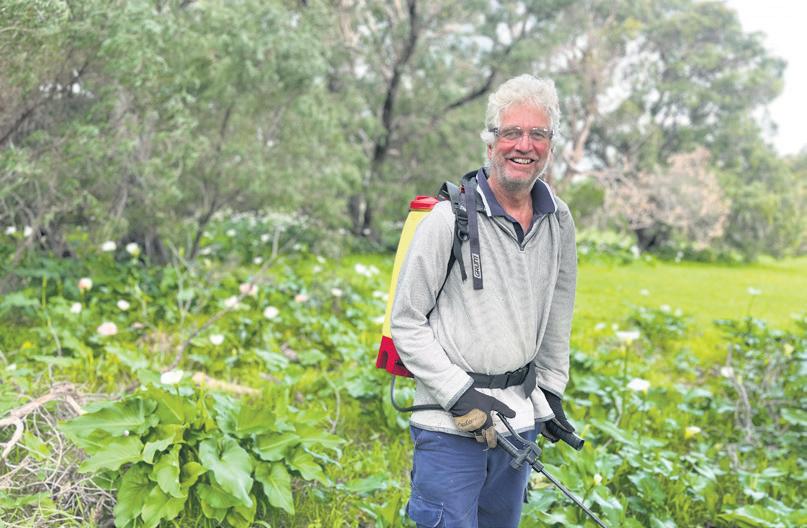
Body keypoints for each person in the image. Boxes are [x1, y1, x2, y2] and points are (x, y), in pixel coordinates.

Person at [390, 74, 578, 528]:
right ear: (491, 142)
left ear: (550, 145)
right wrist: (459, 396)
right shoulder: (447, 219)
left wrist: (551, 390)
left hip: (517, 423)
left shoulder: (559, 220)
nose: (524, 145)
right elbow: (407, 322)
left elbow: (558, 311)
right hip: (447, 426)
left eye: (537, 134)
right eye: (512, 132)